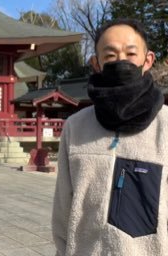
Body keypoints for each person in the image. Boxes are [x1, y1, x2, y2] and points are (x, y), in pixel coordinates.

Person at [52, 18, 168, 256]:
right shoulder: (75, 126)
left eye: (131, 53)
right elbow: (63, 206)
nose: (121, 61)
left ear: (148, 61)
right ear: (96, 63)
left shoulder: (165, 126)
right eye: (111, 55)